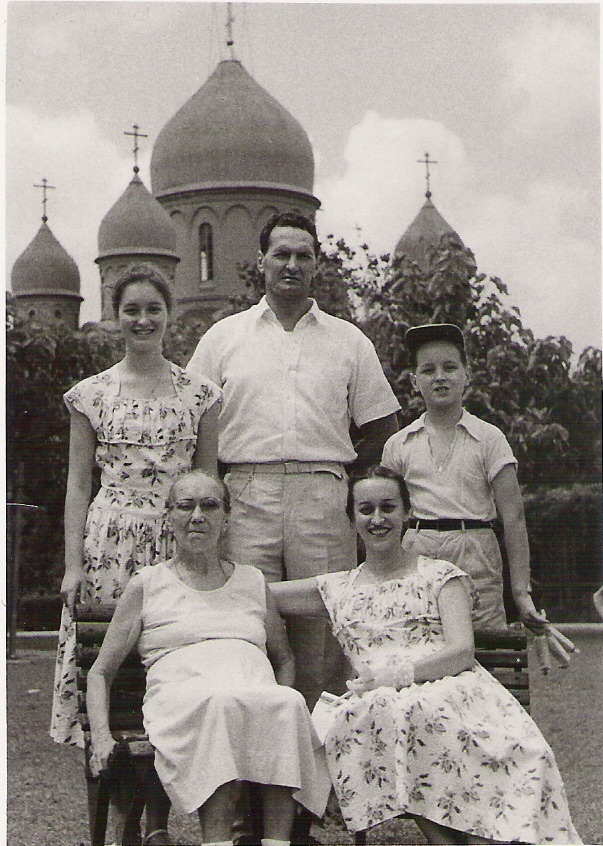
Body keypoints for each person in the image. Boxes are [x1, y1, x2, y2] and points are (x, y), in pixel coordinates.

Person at [271, 466, 582, 845]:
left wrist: (395, 677)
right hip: (378, 705)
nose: (378, 519)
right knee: (391, 715)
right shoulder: (336, 587)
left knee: (473, 737)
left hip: (451, 690)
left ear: (407, 513)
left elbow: (461, 652)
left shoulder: (440, 576)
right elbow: (256, 591)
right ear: (351, 517)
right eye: (365, 509)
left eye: (388, 507)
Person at [186, 211, 400, 709]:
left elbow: (380, 430)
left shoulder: (349, 341)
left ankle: (318, 773)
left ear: (317, 264)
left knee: (323, 632)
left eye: (304, 255)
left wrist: (349, 493)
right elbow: (197, 426)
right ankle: (254, 768)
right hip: (245, 493)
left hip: (322, 495)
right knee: (243, 624)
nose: (292, 264)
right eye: (281, 253)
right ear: (261, 260)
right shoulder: (223, 338)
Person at [50, 264, 221, 845]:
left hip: (176, 542)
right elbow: (77, 486)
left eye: (154, 309)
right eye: (131, 310)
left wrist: (208, 558)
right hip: (109, 546)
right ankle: (115, 807)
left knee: (169, 668)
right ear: (116, 316)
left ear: (170, 315)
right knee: (111, 674)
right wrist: (74, 563)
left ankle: (158, 822)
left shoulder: (200, 394)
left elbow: (209, 483)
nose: (143, 320)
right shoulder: (90, 395)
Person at [86, 470, 330, 846]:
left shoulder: (252, 581)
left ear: (227, 518)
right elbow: (100, 671)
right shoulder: (148, 584)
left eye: (209, 505)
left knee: (286, 702)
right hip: (184, 702)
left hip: (252, 698)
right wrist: (101, 736)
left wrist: (268, 698)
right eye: (186, 505)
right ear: (170, 516)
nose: (197, 515)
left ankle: (277, 843)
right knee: (218, 704)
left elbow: (283, 658)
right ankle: (215, 842)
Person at [381, 323, 545, 632]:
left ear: (466, 376)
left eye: (450, 367)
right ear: (415, 381)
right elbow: (387, 518)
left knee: (483, 647)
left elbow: (514, 517)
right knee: (417, 644)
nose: (440, 377)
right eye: (428, 370)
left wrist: (521, 593)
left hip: (475, 550)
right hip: (417, 550)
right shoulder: (398, 444)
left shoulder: (489, 438)